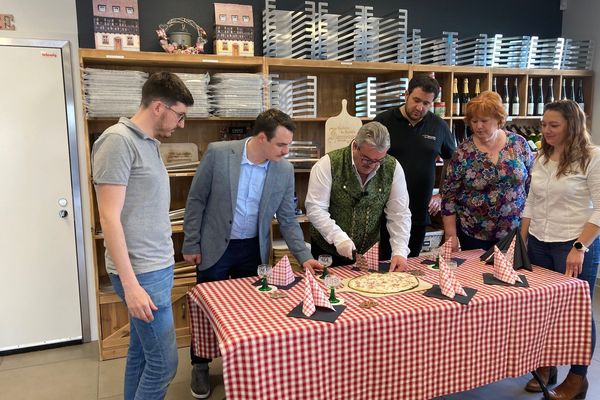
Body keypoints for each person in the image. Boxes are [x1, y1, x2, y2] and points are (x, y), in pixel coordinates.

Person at [182, 108, 322, 399]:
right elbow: (196, 201)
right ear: (261, 137)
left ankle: (246, 367)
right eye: (281, 145)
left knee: (250, 313)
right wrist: (191, 244)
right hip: (214, 246)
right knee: (206, 311)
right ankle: (200, 364)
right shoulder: (219, 154)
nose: (286, 151)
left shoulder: (283, 168)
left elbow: (287, 217)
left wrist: (303, 255)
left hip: (253, 249)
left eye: (288, 145)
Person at [92, 72, 194, 400]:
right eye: (179, 115)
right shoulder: (117, 141)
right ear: (159, 107)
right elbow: (108, 217)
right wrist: (132, 285)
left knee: (141, 352)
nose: (181, 124)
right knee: (164, 364)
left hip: (157, 267)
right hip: (141, 274)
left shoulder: (148, 143)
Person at [520, 100, 600, 400]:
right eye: (543, 125)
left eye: (554, 125)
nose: (546, 130)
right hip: (540, 241)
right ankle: (545, 366)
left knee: (577, 312)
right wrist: (523, 239)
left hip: (574, 243)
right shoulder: (543, 155)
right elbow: (530, 202)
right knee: (543, 309)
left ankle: (577, 378)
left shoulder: (593, 157)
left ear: (572, 125)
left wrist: (580, 247)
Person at [305, 121, 411, 271]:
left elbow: (399, 213)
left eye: (378, 161)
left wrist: (400, 251)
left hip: (369, 253)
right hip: (327, 254)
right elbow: (315, 209)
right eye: (366, 159)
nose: (372, 165)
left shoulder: (393, 167)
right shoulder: (327, 164)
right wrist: (338, 238)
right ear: (355, 146)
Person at [374, 74, 456, 257]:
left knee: (411, 265)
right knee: (384, 265)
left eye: (426, 103)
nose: (420, 107)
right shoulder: (383, 121)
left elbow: (453, 160)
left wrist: (441, 194)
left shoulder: (438, 126)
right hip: (384, 210)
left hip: (419, 212)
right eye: (416, 100)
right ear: (406, 95)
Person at [441, 91, 533, 251]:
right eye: (474, 121)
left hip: (514, 231)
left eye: (484, 120)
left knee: (511, 275)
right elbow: (449, 197)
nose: (478, 126)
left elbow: (532, 187)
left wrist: (528, 231)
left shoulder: (518, 144)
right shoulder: (463, 152)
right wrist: (451, 236)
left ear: (498, 119)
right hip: (473, 234)